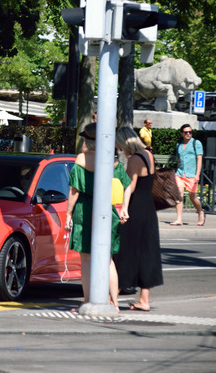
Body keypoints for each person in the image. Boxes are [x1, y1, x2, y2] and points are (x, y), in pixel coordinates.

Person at [65, 123, 131, 310]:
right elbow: (127, 185)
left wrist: (68, 213)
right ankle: (115, 303)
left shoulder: (81, 159)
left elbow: (74, 191)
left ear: (87, 139)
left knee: (86, 259)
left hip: (85, 210)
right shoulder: (113, 161)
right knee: (107, 259)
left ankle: (87, 301)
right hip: (107, 211)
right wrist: (124, 208)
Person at [115, 126, 163, 311]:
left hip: (136, 209)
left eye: (119, 145)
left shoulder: (135, 159)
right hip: (148, 208)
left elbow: (130, 187)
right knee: (146, 253)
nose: (119, 149)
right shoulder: (147, 155)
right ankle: (144, 299)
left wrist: (124, 209)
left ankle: (112, 296)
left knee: (124, 251)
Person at [170, 123, 205, 226]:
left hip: (191, 174)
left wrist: (197, 175)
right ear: (181, 133)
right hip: (180, 174)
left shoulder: (196, 143)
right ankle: (179, 219)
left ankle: (200, 212)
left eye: (190, 132)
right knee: (179, 194)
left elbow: (199, 159)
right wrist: (177, 171)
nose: (188, 134)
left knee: (192, 197)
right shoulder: (179, 145)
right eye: (186, 132)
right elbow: (178, 160)